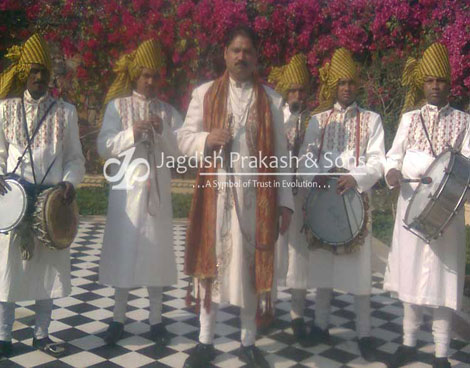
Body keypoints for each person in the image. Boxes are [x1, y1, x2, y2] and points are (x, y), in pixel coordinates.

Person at [177, 25, 294, 368]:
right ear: (225, 54)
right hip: (215, 196)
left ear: (256, 58)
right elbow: (183, 139)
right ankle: (205, 341)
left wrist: (285, 202)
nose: (242, 57)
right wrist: (205, 140)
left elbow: (282, 157)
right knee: (209, 268)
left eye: (248, 52)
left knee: (250, 270)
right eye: (236, 50)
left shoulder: (271, 100)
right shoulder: (204, 94)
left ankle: (248, 342)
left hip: (257, 198)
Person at [384, 43, 470, 368]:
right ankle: (407, 343)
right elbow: (394, 155)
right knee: (409, 273)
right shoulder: (408, 119)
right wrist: (390, 171)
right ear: (422, 84)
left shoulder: (464, 121)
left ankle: (441, 353)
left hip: (446, 212)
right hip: (411, 207)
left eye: (441, 81)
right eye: (430, 80)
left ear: (450, 84)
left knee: (442, 281)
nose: (435, 86)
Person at [296, 48, 385, 361]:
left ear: (357, 84)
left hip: (356, 205)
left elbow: (378, 161)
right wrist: (316, 173)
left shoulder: (372, 120)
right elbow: (306, 156)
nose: (346, 87)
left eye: (351, 82)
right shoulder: (318, 121)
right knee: (322, 268)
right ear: (333, 86)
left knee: (360, 273)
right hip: (322, 205)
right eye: (341, 83)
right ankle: (320, 325)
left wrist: (356, 176)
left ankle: (364, 333)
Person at [0, 33, 85, 357]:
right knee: (6, 272)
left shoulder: (66, 112)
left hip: (52, 204)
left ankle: (41, 335)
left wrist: (70, 183)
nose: (38, 77)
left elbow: (76, 158)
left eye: (44, 72)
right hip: (13, 202)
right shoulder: (5, 109)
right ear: (24, 73)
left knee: (47, 273)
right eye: (33, 71)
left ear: (51, 76)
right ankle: (3, 336)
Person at [98, 39, 182, 349]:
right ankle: (118, 319)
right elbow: (104, 147)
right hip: (126, 192)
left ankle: (156, 320)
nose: (150, 81)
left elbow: (182, 151)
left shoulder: (167, 111)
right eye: (145, 75)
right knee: (124, 253)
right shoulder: (116, 107)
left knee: (156, 254)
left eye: (155, 76)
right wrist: (132, 132)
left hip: (157, 193)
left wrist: (164, 132)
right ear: (135, 75)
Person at [267, 53, 313, 344]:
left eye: (301, 90)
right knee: (272, 255)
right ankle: (267, 310)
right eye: (292, 90)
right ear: (285, 92)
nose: (296, 96)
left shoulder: (315, 120)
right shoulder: (274, 116)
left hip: (303, 199)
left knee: (300, 257)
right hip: (275, 197)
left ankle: (297, 316)